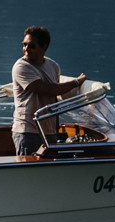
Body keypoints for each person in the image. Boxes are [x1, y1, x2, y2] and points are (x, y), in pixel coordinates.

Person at [11, 25, 85, 158]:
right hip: (27, 131)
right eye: (24, 44)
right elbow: (48, 90)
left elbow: (53, 100)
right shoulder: (21, 67)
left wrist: (55, 129)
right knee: (28, 173)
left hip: (49, 131)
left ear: (44, 47)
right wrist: (76, 82)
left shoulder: (53, 66)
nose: (26, 49)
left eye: (31, 46)